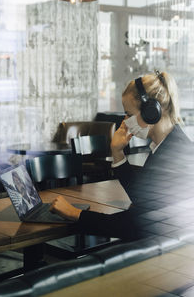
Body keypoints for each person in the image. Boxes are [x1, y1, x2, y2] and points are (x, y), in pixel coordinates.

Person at [50, 70, 194, 241]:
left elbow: (131, 225)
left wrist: (75, 214)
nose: (125, 121)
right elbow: (141, 198)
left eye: (130, 114)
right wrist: (117, 153)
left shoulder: (173, 157)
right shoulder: (170, 145)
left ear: (152, 111)